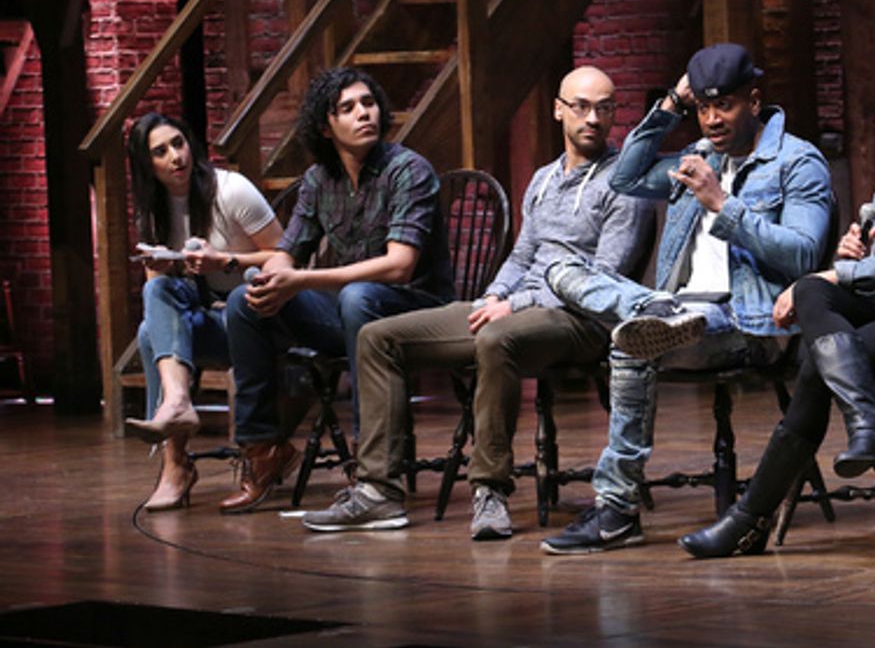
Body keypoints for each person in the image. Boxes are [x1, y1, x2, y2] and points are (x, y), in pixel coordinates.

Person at [299, 66, 652, 537]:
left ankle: (489, 491)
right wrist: (493, 294)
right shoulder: (545, 179)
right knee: (376, 337)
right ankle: (378, 491)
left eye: (605, 108)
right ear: (559, 110)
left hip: (582, 318)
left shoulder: (625, 183)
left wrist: (516, 304)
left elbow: (601, 278)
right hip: (518, 308)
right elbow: (523, 253)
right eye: (582, 107)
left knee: (497, 337)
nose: (593, 118)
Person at [679, 42, 875, 559]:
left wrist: (842, 269)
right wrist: (856, 249)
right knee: (809, 290)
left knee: (815, 360)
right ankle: (865, 429)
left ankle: (748, 518)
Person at [539, 43, 834, 554]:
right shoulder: (696, 155)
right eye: (703, 107)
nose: (713, 118)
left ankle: (616, 513)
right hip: (680, 310)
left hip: (748, 320)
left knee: (633, 344)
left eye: (725, 105)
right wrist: (671, 106)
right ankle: (657, 311)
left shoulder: (796, 162)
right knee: (560, 265)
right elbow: (626, 176)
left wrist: (723, 204)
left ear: (755, 101)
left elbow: (805, 257)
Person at [220, 67, 453, 514]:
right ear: (326, 128)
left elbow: (400, 267)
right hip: (355, 315)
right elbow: (289, 250)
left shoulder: (408, 169)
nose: (364, 113)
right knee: (243, 302)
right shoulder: (318, 180)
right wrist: (274, 278)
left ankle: (371, 469)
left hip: (419, 313)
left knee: (358, 296)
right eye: (347, 108)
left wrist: (300, 280)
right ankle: (263, 449)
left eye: (368, 103)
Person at [123, 112, 284, 510]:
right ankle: (176, 419)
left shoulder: (231, 191)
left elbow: (286, 257)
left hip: (259, 316)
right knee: (155, 305)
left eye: (178, 143)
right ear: (148, 166)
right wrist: (169, 266)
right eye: (160, 152)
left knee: (156, 330)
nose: (176, 156)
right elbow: (156, 293)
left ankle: (175, 455)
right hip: (214, 316)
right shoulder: (152, 211)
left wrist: (224, 260)